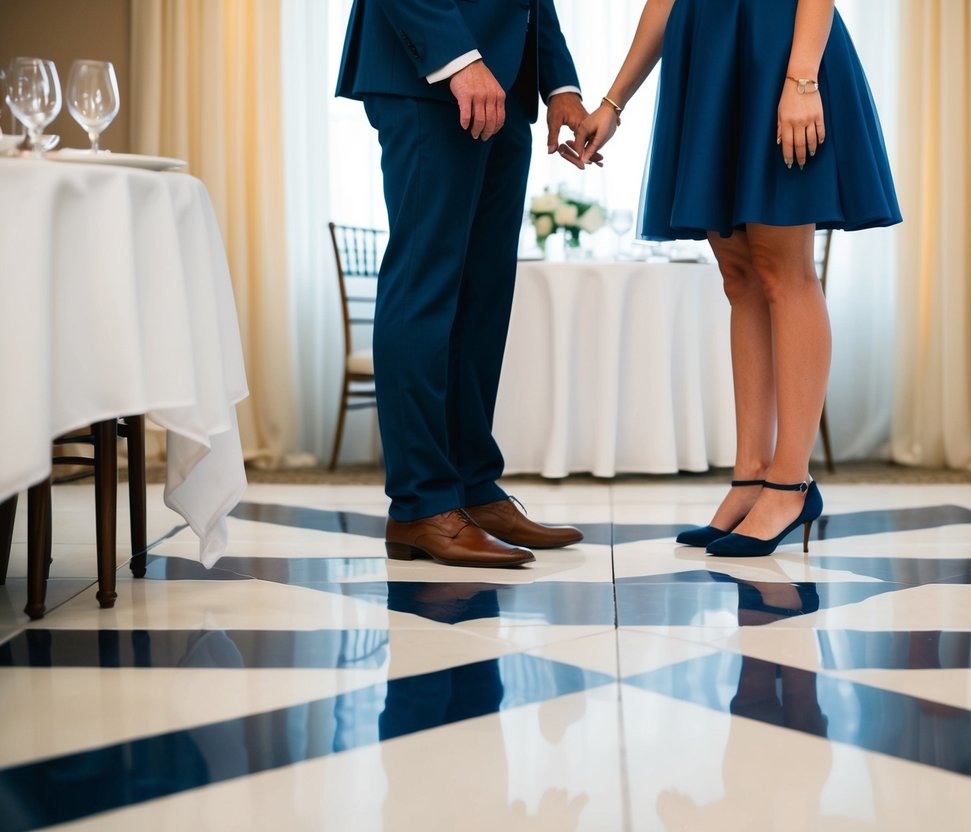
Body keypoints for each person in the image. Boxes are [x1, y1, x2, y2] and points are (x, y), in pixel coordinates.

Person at [564, 0, 901, 557]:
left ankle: (791, 482)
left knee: (782, 269)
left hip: (780, 50)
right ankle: (751, 476)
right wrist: (613, 102)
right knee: (739, 276)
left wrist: (802, 79)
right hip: (709, 56)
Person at [336, 0, 592, 567]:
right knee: (423, 291)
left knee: (482, 300)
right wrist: (457, 58)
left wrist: (559, 84)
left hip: (505, 83)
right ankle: (421, 504)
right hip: (429, 71)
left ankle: (473, 490)